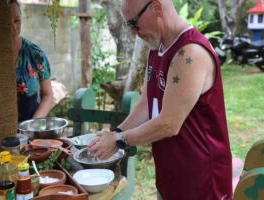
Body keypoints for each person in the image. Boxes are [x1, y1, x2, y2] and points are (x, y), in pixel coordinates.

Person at [89, 0, 232, 199]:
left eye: (134, 23)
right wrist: (116, 133)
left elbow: (169, 124)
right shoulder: (157, 47)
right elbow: (147, 104)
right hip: (172, 174)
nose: (133, 32)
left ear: (156, 6)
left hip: (201, 179)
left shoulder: (189, 52)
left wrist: (118, 141)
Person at [10, 0, 53, 122]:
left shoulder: (35, 54)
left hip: (27, 133)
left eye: (16, 20)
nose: (13, 27)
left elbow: (48, 95)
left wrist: (33, 125)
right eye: (6, 22)